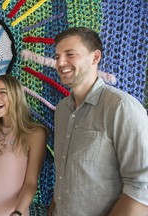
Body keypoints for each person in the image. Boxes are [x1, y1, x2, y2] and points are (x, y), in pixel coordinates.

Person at [49, 27, 148, 216]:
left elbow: (141, 188)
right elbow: (64, 176)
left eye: (70, 54)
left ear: (95, 58)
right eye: (57, 57)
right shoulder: (61, 110)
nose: (60, 63)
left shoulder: (121, 107)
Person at [0, 74, 47, 216]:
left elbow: (31, 183)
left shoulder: (35, 133)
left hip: (12, 211)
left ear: (15, 96)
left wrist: (17, 212)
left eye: (3, 92)